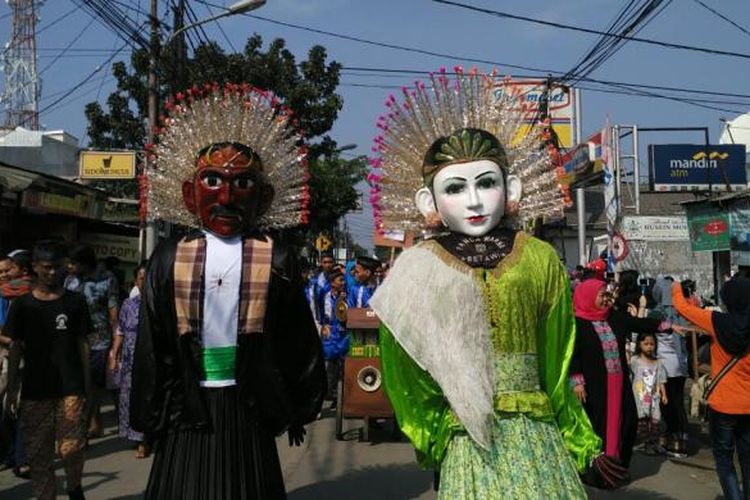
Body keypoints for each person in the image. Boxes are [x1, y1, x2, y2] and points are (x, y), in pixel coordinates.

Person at [368, 69, 626, 498]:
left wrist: (583, 446)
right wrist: (435, 430)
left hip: (537, 435)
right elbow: (405, 368)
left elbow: (557, 360)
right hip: (465, 435)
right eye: (455, 187)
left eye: (486, 183)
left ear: (512, 188)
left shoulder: (539, 258)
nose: (473, 200)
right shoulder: (416, 267)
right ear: (428, 201)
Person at [130, 83, 326, 499]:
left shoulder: (276, 258)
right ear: (189, 193)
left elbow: (296, 336)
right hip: (188, 405)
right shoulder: (169, 257)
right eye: (212, 180)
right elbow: (153, 339)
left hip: (248, 402)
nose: (225, 196)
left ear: (265, 196)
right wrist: (150, 411)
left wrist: (298, 403)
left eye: (242, 184)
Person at [5, 240, 91, 500]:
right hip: (34, 389)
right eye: (46, 268)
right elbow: (16, 347)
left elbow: (82, 344)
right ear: (34, 268)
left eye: (56, 267)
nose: (52, 273)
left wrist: (89, 387)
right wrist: (12, 388)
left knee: (71, 448)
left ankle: (74, 486)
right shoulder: (22, 305)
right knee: (39, 457)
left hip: (70, 388)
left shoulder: (75, 302)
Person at [570, 279, 681, 471]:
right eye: (602, 295)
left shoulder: (613, 317)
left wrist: (667, 326)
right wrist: (577, 381)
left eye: (608, 295)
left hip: (619, 382)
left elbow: (639, 323)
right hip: (595, 386)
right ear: (588, 297)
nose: (607, 300)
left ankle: (619, 465)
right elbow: (573, 353)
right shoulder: (578, 323)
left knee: (627, 421)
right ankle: (598, 471)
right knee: (598, 426)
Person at [672, 277, 750, 500]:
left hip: (723, 403)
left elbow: (682, 308)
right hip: (748, 405)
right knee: (747, 458)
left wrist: (677, 288)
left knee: (724, 460)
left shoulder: (716, 321)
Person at [64, 245, 118, 439]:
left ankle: (85, 425)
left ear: (84, 263)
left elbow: (113, 309)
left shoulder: (107, 279)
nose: (69, 266)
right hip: (72, 338)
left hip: (99, 340)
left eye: (73, 263)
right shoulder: (69, 280)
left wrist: (116, 342)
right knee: (76, 385)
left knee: (93, 385)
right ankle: (89, 423)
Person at [109, 262, 147, 458]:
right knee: (129, 395)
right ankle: (136, 436)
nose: (145, 281)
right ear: (136, 281)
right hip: (130, 357)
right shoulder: (128, 304)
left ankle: (146, 439)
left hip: (149, 355)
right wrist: (114, 354)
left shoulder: (160, 304)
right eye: (141, 278)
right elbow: (120, 331)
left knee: (147, 393)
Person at [650, 277, 690, 458]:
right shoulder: (683, 312)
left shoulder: (655, 314)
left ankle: (666, 439)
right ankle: (680, 441)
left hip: (663, 367)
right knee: (678, 403)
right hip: (681, 365)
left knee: (665, 405)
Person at [630, 332, 668, 455]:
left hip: (654, 397)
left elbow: (661, 380)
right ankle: (644, 444)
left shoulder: (658, 363)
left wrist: (664, 395)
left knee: (655, 421)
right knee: (643, 422)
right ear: (639, 345)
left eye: (652, 344)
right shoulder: (635, 361)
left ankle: (654, 443)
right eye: (645, 343)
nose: (649, 346)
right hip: (640, 397)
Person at [320, 270, 349, 408]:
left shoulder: (348, 296)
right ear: (332, 283)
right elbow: (321, 313)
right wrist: (323, 326)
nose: (343, 283)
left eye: (344, 280)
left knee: (345, 367)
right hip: (330, 336)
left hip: (345, 335)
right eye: (340, 281)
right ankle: (329, 392)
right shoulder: (324, 296)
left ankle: (342, 396)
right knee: (330, 366)